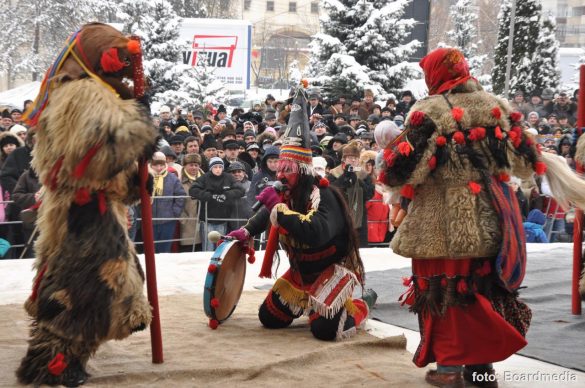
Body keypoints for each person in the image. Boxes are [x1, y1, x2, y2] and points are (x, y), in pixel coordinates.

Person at [379, 47, 547, 387]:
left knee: (443, 294)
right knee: (479, 293)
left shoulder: (429, 111)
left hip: (440, 224)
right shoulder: (497, 106)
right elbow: (528, 163)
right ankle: (481, 373)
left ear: (434, 74)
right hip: (491, 221)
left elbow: (399, 171)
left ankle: (449, 371)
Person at [16, 23, 155, 386]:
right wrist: (140, 118)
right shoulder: (82, 93)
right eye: (119, 58)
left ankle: (67, 358)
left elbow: (112, 161)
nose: (124, 67)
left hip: (94, 206)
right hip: (84, 210)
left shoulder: (91, 91)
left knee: (99, 283)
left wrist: (137, 180)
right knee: (85, 286)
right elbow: (101, 150)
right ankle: (51, 362)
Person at [227, 87, 375, 341]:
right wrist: (246, 231)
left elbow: (315, 232)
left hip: (330, 269)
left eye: (288, 169)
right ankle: (311, 304)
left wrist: (278, 210)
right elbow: (267, 215)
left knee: (325, 331)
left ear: (304, 171)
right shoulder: (286, 195)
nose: (281, 175)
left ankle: (362, 303)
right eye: (279, 169)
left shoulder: (324, 194)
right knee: (269, 318)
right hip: (300, 272)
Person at [189, 157, 245, 251]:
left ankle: (220, 264)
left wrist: (226, 195)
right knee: (208, 247)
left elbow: (240, 190)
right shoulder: (204, 178)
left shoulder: (228, 177)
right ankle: (207, 262)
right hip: (207, 219)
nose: (218, 169)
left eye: (220, 167)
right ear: (211, 168)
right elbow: (193, 190)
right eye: (215, 167)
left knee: (221, 246)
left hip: (223, 219)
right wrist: (210, 196)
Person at [328, 141, 375, 247]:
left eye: (355, 158)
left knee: (360, 247)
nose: (353, 160)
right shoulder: (334, 173)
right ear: (343, 159)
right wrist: (344, 177)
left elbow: (370, 194)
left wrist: (358, 181)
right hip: (339, 216)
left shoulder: (363, 174)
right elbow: (330, 192)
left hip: (359, 218)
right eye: (350, 158)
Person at [150, 151, 186, 253]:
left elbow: (181, 195)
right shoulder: (146, 178)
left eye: (161, 164)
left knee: (165, 250)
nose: (159, 168)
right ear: (151, 165)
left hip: (168, 220)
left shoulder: (172, 178)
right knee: (150, 251)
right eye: (155, 165)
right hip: (149, 221)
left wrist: (174, 213)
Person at [179, 153, 204, 252]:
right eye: (191, 165)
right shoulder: (180, 181)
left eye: (196, 165)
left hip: (203, 223)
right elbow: (176, 203)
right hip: (187, 225)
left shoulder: (206, 179)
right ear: (185, 165)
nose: (194, 167)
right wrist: (183, 219)